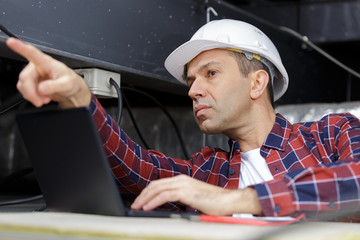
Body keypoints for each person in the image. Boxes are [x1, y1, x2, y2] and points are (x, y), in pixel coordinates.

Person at [7, 19, 360, 218]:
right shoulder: (208, 171)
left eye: (210, 74)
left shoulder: (332, 133)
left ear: (257, 82)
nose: (193, 91)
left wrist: (238, 200)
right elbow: (136, 168)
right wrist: (79, 97)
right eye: (191, 81)